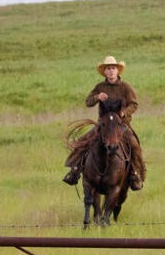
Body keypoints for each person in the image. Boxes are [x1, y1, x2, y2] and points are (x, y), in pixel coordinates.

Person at [63, 55, 146, 190]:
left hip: (121, 126)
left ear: (118, 71)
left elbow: (134, 104)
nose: (111, 71)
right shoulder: (100, 86)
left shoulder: (125, 87)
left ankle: (136, 175)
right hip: (103, 126)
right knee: (83, 142)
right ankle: (74, 170)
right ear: (105, 72)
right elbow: (88, 102)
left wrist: (125, 112)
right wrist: (97, 97)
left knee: (134, 145)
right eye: (108, 69)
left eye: (113, 68)